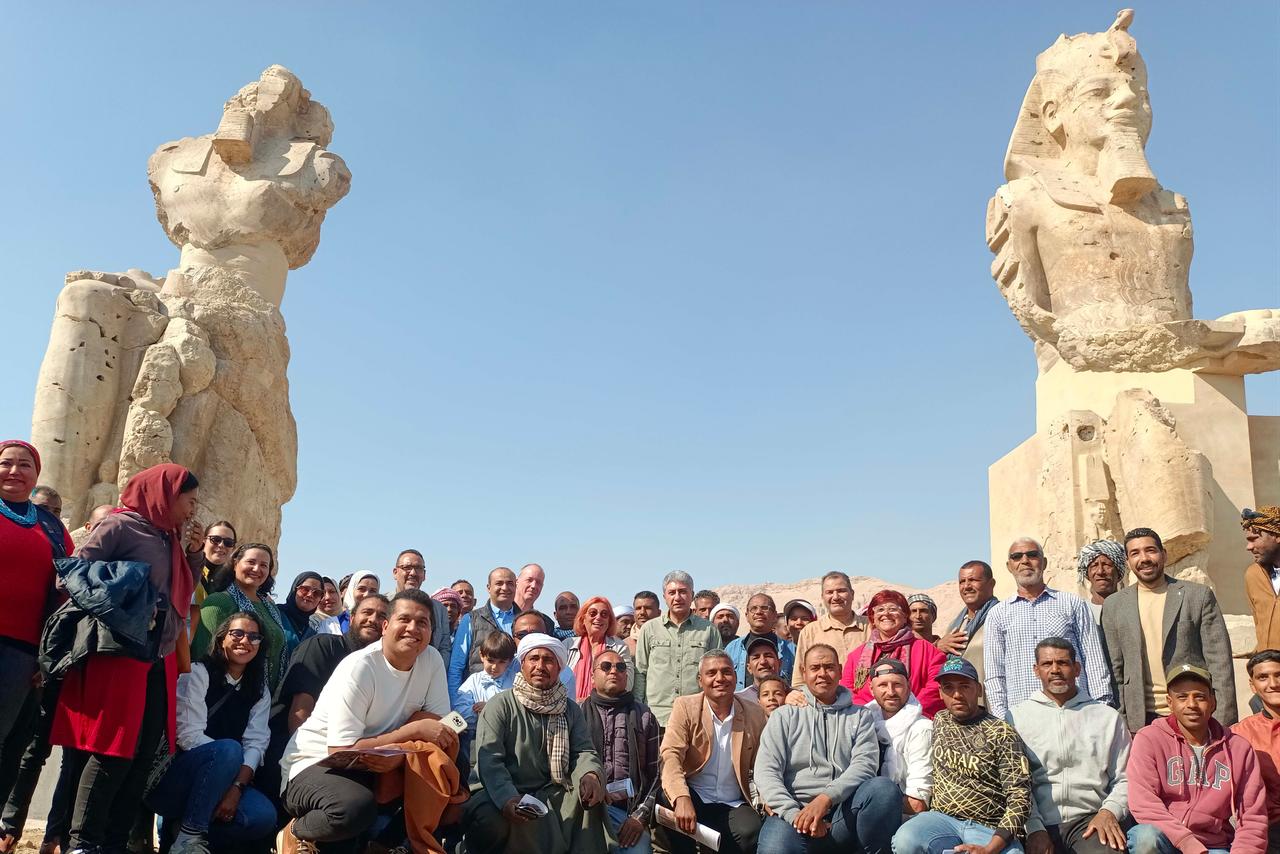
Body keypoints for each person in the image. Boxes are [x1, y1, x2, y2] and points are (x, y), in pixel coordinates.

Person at [52, 464, 205, 854]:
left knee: (140, 756)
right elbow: (72, 573)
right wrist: (129, 593)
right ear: (166, 495)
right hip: (120, 653)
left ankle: (114, 843)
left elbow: (179, 592)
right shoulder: (121, 526)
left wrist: (192, 555)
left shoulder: (167, 536)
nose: (192, 509)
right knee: (112, 749)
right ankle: (83, 843)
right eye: (189, 500)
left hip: (157, 656)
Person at [280, 590, 459, 854]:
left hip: (378, 761)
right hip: (315, 764)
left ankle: (384, 846)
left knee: (453, 772)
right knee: (354, 809)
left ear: (432, 631)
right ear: (386, 626)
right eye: (405, 619)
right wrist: (414, 730)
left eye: (423, 622)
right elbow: (341, 750)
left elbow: (441, 725)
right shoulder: (361, 667)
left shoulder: (430, 660)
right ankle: (296, 832)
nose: (413, 628)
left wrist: (405, 749)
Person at [463, 633, 609, 854]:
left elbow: (584, 751)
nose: (540, 666)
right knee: (492, 818)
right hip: (502, 789)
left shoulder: (570, 709)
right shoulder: (500, 705)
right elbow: (490, 761)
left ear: (559, 668)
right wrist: (508, 798)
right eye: (534, 659)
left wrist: (590, 774)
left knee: (589, 803)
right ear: (522, 665)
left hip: (554, 789)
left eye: (548, 660)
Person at [148, 612, 276, 854]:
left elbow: (256, 743)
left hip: (228, 778)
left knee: (261, 817)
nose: (245, 641)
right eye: (237, 633)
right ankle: (189, 836)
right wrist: (227, 765)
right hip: (176, 777)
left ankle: (186, 830)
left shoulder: (259, 689)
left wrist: (236, 786)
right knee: (229, 749)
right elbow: (187, 735)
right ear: (221, 639)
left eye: (253, 636)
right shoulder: (198, 672)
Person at [0, 441, 74, 854]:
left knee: (11, 746)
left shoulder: (50, 526)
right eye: (5, 463)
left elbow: (64, 594)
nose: (14, 471)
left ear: (36, 471)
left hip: (26, 651)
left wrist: (49, 657)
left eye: (23, 465)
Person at [756, 644, 901, 854]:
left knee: (884, 789)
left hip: (842, 813)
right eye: (815, 668)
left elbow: (865, 764)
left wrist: (826, 799)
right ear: (804, 673)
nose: (822, 674)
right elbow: (766, 771)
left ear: (840, 670)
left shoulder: (860, 716)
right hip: (794, 813)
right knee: (774, 849)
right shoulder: (784, 716)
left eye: (829, 667)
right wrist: (795, 814)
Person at [891, 658, 1033, 854]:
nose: (957, 695)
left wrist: (991, 848)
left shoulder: (1002, 733)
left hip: (989, 826)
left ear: (979, 690)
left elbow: (1020, 798)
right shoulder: (940, 720)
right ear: (940, 693)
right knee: (905, 840)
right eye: (948, 688)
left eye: (965, 686)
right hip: (941, 819)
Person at [1101, 527, 1236, 732]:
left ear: (1163, 554)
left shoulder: (1197, 596)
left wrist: (1223, 721)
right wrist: (1122, 720)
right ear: (1128, 562)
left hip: (1192, 714)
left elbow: (1220, 663)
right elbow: (1115, 670)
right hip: (1141, 719)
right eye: (1135, 553)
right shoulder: (1114, 605)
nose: (1144, 558)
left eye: (1150, 550)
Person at [260, 594, 390, 807]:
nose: (373, 619)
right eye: (367, 612)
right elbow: (299, 715)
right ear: (352, 616)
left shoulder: (380, 667)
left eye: (381, 616)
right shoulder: (323, 646)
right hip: (298, 753)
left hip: (345, 753)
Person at [1126, 664, 1267, 854]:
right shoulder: (1149, 738)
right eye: (1182, 697)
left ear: (1213, 702)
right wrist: (1186, 842)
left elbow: (1252, 816)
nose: (1191, 704)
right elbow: (1143, 803)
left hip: (1213, 845)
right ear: (1170, 702)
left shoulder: (1238, 748)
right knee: (1145, 839)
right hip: (1164, 838)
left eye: (1199, 696)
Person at [1010, 638, 1131, 854]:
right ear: (1036, 670)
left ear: (1077, 669)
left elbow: (1125, 777)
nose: (1055, 670)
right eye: (1047, 664)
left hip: (1089, 821)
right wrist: (1034, 828)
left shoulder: (1107, 717)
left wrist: (1109, 812)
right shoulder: (1017, 718)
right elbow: (1014, 782)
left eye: (1063, 663)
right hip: (1036, 822)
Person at [984, 538, 1111, 720]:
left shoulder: (1071, 603)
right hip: (1022, 716)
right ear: (1009, 566)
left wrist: (1102, 708)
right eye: (1017, 556)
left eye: (1032, 555)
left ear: (1044, 563)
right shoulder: (998, 614)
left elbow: (1093, 658)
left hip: (1074, 711)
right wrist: (1002, 719)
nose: (1025, 561)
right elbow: (995, 674)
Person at [659, 651, 767, 854]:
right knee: (667, 799)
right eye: (712, 673)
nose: (720, 678)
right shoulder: (685, 706)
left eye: (726, 672)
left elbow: (764, 763)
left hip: (732, 801)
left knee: (750, 831)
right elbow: (670, 754)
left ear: (735, 677)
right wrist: (681, 797)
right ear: (701, 680)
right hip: (695, 795)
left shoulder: (755, 713)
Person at [581, 649, 661, 854]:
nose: (613, 671)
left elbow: (656, 776)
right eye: (606, 667)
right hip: (585, 812)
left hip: (628, 814)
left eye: (620, 667)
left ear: (627, 676)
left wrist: (639, 817)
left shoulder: (644, 716)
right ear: (592, 677)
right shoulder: (576, 714)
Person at [194, 544, 289, 691]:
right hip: (225, 693)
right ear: (235, 563)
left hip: (266, 699)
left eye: (264, 565)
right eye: (251, 562)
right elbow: (202, 651)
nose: (257, 569)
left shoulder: (271, 608)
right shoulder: (219, 602)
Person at [635, 571, 723, 727]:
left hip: (697, 717)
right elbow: (641, 672)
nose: (677, 597)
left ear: (692, 595)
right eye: (672, 592)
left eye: (683, 592)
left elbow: (717, 674)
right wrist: (637, 710)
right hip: (657, 718)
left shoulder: (709, 630)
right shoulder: (649, 629)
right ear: (665, 597)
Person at [842, 590, 946, 718]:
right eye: (880, 610)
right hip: (867, 723)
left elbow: (936, 688)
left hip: (913, 722)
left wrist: (907, 714)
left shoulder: (928, 651)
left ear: (904, 617)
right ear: (872, 618)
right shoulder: (855, 657)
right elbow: (847, 691)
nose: (886, 614)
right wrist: (871, 715)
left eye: (893, 609)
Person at [865, 659, 933, 818]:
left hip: (905, 818)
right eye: (882, 685)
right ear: (871, 689)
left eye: (897, 684)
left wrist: (869, 803)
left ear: (908, 687)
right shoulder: (862, 722)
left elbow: (918, 804)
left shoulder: (922, 728)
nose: (890, 692)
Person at [1231, 650, 1280, 854]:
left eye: (1278, 675)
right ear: (1252, 685)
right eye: (1263, 677)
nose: (1273, 683)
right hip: (1268, 827)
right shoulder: (1240, 734)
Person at [935, 561, 999, 703]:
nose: (966, 586)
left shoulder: (1001, 617)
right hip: (960, 706)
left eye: (973, 580)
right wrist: (939, 646)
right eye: (962, 581)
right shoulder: (956, 624)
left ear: (991, 584)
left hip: (990, 705)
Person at [448, 566, 519, 696]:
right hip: (475, 703)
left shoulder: (525, 620)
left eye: (510, 583)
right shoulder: (471, 619)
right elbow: (456, 667)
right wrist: (454, 705)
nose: (505, 588)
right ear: (488, 588)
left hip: (515, 702)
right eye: (499, 583)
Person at [793, 571, 868, 688]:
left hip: (867, 701)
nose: (836, 597)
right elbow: (799, 679)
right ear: (822, 597)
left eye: (841, 591)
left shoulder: (871, 626)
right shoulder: (810, 631)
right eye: (829, 592)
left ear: (852, 594)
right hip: (825, 702)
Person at [566, 596, 633, 702]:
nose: (598, 618)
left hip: (604, 708)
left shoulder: (619, 647)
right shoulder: (568, 645)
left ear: (609, 621)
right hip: (570, 710)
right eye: (593, 613)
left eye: (604, 614)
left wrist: (591, 701)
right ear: (583, 619)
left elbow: (627, 683)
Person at [391, 549, 453, 662]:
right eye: (407, 568)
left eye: (418, 568)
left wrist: (435, 672)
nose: (413, 573)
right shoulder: (384, 604)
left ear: (424, 575)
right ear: (395, 572)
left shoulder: (439, 610)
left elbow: (444, 648)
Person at [726, 593, 796, 688]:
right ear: (747, 615)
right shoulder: (732, 649)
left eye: (764, 608)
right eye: (754, 608)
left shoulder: (792, 650)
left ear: (775, 615)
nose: (759, 612)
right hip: (742, 702)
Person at [1242, 507, 1280, 657]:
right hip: (1270, 673)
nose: (1249, 547)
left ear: (1277, 535)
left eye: (1254, 539)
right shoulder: (1253, 575)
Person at [1076, 540, 1127, 621]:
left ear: (1119, 574)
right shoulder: (1080, 613)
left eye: (1107, 565)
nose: (1100, 571)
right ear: (1087, 575)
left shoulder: (1132, 610)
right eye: (1094, 566)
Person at [277, 571, 324, 656]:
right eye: (305, 589)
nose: (310, 595)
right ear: (295, 590)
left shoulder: (316, 627)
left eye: (316, 593)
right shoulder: (275, 614)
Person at [195, 521, 237, 604]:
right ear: (204, 540)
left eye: (228, 542)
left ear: (233, 547)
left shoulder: (236, 582)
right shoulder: (189, 569)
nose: (221, 545)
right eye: (215, 539)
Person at [735, 636, 783, 703]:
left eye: (768, 656)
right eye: (756, 657)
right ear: (749, 668)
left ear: (780, 663)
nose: (763, 661)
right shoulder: (738, 700)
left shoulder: (793, 695)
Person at [627, 591, 661, 658]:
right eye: (638, 608)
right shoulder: (624, 646)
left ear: (659, 613)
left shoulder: (669, 639)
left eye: (648, 608)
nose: (642, 612)